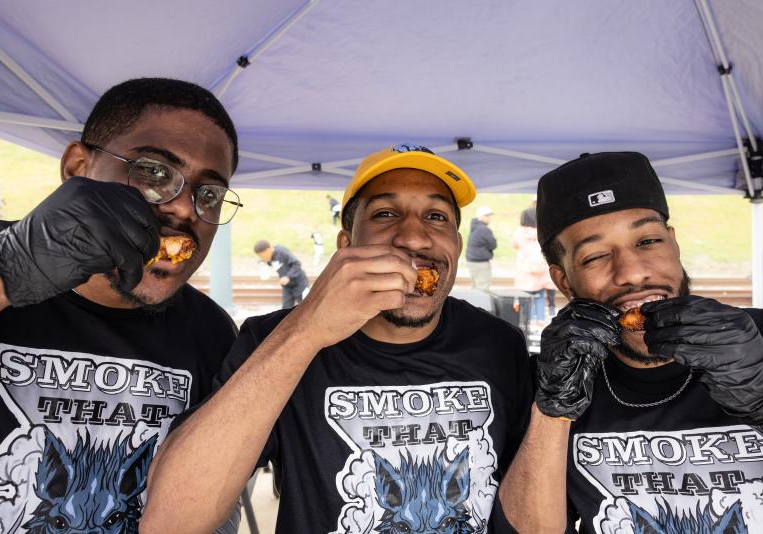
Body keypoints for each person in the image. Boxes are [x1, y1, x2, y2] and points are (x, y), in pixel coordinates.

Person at [142, 144, 533, 534]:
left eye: (436, 216)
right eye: (385, 214)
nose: (414, 238)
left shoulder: (500, 344)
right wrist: (308, 327)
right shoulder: (272, 339)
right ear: (346, 245)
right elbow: (173, 520)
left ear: (458, 248)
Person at [0, 78, 242, 533]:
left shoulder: (209, 330)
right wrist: (9, 267)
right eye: (154, 173)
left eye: (208, 194)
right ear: (77, 168)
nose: (185, 210)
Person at [498, 152, 763, 533]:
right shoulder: (551, 378)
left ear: (673, 244)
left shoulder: (756, 339)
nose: (633, 273)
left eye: (648, 240)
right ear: (564, 281)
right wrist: (552, 410)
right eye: (596, 256)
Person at [511, 198, 556, 328]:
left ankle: (528, 321)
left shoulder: (519, 233)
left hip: (525, 272)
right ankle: (541, 320)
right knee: (540, 295)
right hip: (541, 271)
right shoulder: (543, 232)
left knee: (525, 298)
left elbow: (513, 245)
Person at [253, 240, 310, 308]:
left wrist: (288, 277)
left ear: (268, 250)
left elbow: (296, 264)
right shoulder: (268, 258)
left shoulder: (282, 252)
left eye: (263, 256)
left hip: (299, 283)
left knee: (306, 307)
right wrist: (264, 264)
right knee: (285, 309)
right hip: (287, 286)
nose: (263, 258)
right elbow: (270, 263)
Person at [466, 204, 497, 291]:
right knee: (483, 289)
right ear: (480, 217)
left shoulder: (475, 226)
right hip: (481, 262)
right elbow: (493, 245)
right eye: (486, 216)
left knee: (475, 287)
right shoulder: (484, 229)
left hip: (472, 261)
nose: (489, 218)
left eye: (489, 216)